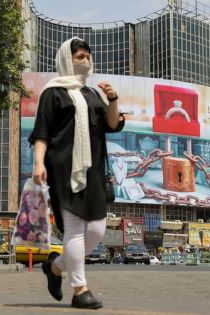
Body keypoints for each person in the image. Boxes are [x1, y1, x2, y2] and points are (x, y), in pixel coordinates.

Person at [29, 37, 125, 309]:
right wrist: (39, 163)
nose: (85, 61)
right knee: (74, 230)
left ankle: (56, 268)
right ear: (65, 60)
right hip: (63, 167)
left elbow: (112, 123)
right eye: (78, 56)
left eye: (87, 56)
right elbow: (42, 132)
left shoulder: (92, 94)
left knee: (95, 230)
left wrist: (113, 98)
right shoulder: (53, 92)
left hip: (93, 170)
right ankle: (80, 290)